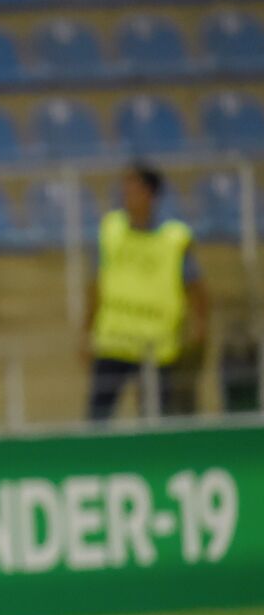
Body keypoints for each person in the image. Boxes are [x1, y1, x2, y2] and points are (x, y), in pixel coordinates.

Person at [83, 163, 209, 421]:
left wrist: (200, 324)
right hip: (114, 340)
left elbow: (196, 285)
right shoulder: (111, 229)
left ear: (151, 194)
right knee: (97, 418)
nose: (126, 193)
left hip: (157, 345)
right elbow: (95, 283)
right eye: (125, 188)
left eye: (133, 188)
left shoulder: (173, 238)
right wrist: (87, 329)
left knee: (156, 418)